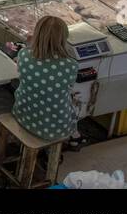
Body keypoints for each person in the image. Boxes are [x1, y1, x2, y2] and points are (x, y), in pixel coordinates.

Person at [11, 16, 80, 145]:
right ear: (64, 38)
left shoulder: (24, 55)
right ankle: (74, 137)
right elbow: (69, 86)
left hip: (23, 116)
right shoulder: (71, 65)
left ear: (36, 34)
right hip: (55, 128)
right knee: (75, 100)